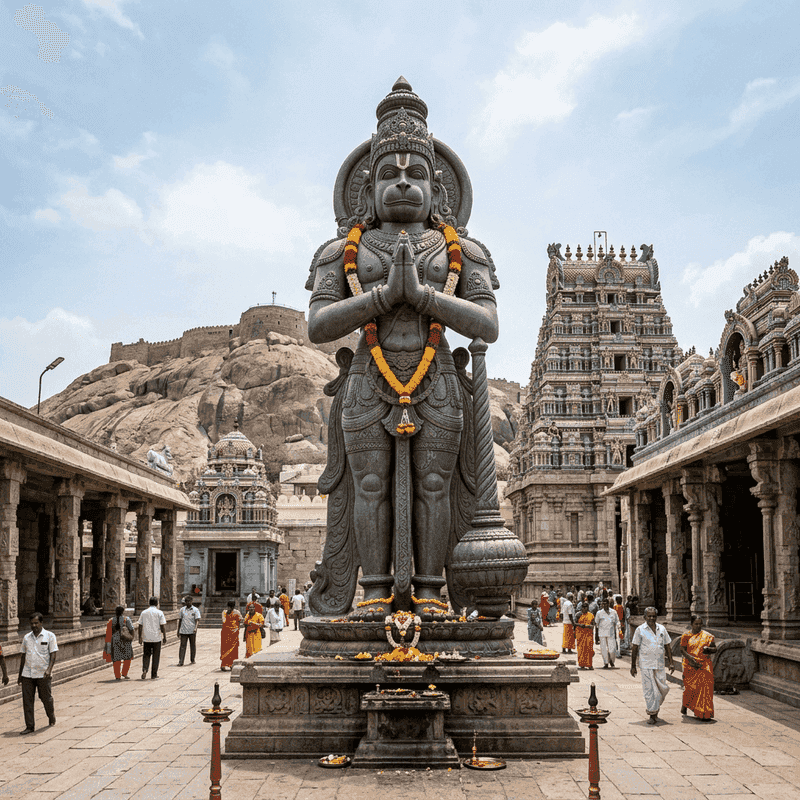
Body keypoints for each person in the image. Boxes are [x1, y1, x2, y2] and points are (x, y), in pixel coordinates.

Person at [306, 79, 502, 619]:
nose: (402, 184)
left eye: (416, 173)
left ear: (438, 190)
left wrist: (423, 297)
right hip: (369, 377)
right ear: (366, 188)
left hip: (435, 376)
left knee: (435, 485)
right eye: (388, 174)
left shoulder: (460, 248)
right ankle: (371, 592)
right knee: (370, 485)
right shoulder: (341, 250)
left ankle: (433, 590)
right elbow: (318, 325)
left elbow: (487, 323)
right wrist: (382, 297)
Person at [630, 607, 675, 725]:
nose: (651, 618)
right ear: (645, 617)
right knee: (649, 690)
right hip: (646, 664)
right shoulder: (640, 630)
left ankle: (655, 710)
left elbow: (667, 646)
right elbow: (635, 647)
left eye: (654, 616)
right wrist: (633, 665)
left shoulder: (662, 629)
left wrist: (671, 662)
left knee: (662, 688)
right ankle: (652, 714)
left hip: (659, 664)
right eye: (649, 616)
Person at [17, 612, 57, 734]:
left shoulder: (49, 636)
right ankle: (29, 726)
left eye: (36, 623)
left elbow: (53, 654)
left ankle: (51, 715)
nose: (34, 625)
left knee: (46, 698)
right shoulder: (26, 638)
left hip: (43, 674)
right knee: (27, 701)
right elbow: (23, 656)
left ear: (41, 623)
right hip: (27, 674)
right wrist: (20, 675)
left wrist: (49, 669)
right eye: (32, 623)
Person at [680, 616, 716, 721]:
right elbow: (682, 650)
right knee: (690, 689)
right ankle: (685, 704)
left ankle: (704, 712)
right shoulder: (686, 635)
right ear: (691, 624)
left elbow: (715, 648)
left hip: (704, 665)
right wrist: (691, 658)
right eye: (696, 624)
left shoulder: (707, 636)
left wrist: (709, 649)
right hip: (690, 665)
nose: (698, 626)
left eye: (700, 624)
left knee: (705, 688)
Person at [138, 596, 167, 680]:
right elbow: (163, 626)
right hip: (156, 638)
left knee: (146, 655)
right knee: (156, 656)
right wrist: (164, 636)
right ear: (157, 603)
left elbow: (140, 626)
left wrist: (140, 637)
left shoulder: (143, 612)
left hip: (146, 638)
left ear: (149, 603)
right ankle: (154, 674)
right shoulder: (159, 613)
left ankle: (145, 669)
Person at [103, 605, 134, 680]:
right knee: (127, 657)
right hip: (125, 640)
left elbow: (108, 632)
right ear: (123, 612)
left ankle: (117, 675)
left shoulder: (111, 620)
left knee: (116, 659)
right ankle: (124, 673)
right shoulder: (126, 619)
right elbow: (131, 629)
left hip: (115, 641)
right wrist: (131, 637)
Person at [594, 597, 620, 669]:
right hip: (602, 634)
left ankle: (611, 661)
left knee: (612, 649)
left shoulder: (613, 612)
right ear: (602, 605)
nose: (604, 605)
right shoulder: (599, 613)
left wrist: (620, 629)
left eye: (606, 604)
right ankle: (606, 663)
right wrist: (596, 636)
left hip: (611, 633)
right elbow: (596, 624)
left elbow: (617, 621)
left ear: (608, 604)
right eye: (603, 604)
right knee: (604, 649)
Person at [178, 595, 202, 666]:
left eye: (189, 601)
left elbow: (197, 620)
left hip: (192, 631)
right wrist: (178, 630)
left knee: (192, 645)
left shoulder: (195, 610)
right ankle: (181, 661)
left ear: (192, 602)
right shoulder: (182, 610)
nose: (188, 603)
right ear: (185, 602)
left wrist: (195, 628)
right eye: (187, 601)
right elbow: (180, 620)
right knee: (182, 646)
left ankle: (192, 659)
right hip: (183, 631)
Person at [220, 600, 242, 671]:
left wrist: (238, 630)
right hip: (225, 633)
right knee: (225, 648)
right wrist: (227, 613)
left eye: (232, 607)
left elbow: (239, 622)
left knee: (233, 649)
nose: (231, 608)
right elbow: (224, 621)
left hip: (234, 633)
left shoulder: (237, 612)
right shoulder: (224, 612)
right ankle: (223, 664)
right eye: (229, 607)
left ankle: (231, 664)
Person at [575, 601, 595, 670]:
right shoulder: (578, 614)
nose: (584, 609)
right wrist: (580, 625)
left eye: (586, 608)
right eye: (583, 608)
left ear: (588, 608)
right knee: (581, 650)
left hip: (588, 634)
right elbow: (574, 623)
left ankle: (589, 665)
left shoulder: (591, 615)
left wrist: (588, 626)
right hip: (580, 634)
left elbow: (593, 625)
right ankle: (582, 664)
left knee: (589, 649)